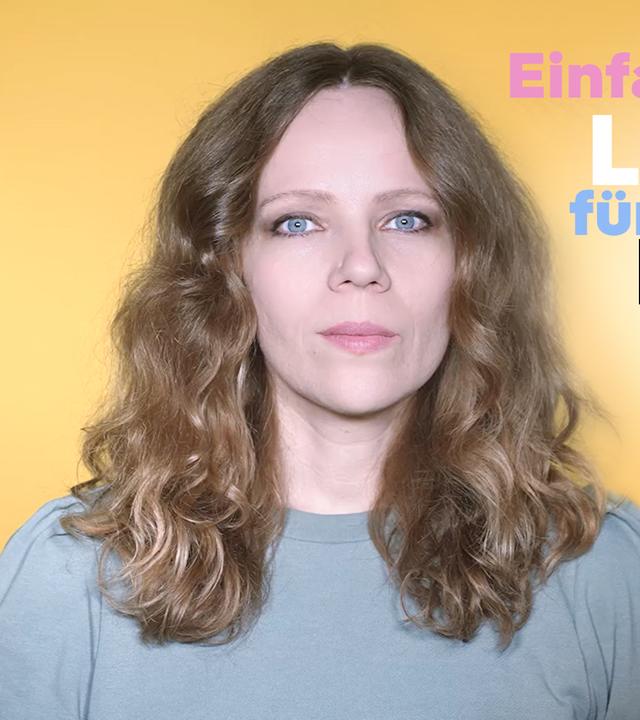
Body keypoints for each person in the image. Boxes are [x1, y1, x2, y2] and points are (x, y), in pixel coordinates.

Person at [0, 41, 639, 720]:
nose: (361, 265)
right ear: (228, 266)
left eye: (408, 219)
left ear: (470, 264)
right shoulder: (69, 575)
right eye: (298, 222)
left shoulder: (603, 572)